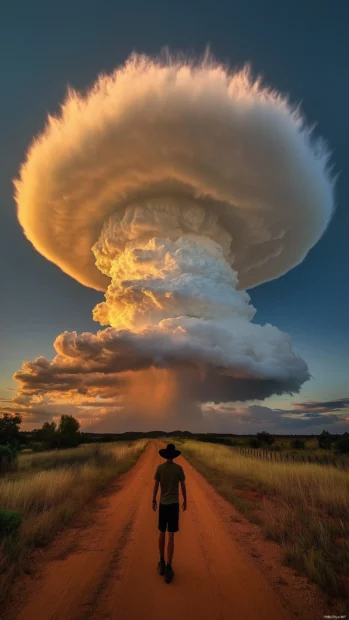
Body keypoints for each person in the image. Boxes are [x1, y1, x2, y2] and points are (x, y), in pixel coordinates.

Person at [152, 443, 187, 583]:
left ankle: (161, 562)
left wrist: (153, 500)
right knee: (171, 535)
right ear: (174, 455)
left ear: (166, 455)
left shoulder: (160, 468)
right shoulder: (179, 469)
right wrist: (186, 500)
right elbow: (183, 486)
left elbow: (155, 486)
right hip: (173, 505)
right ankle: (168, 567)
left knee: (161, 532)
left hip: (163, 505)